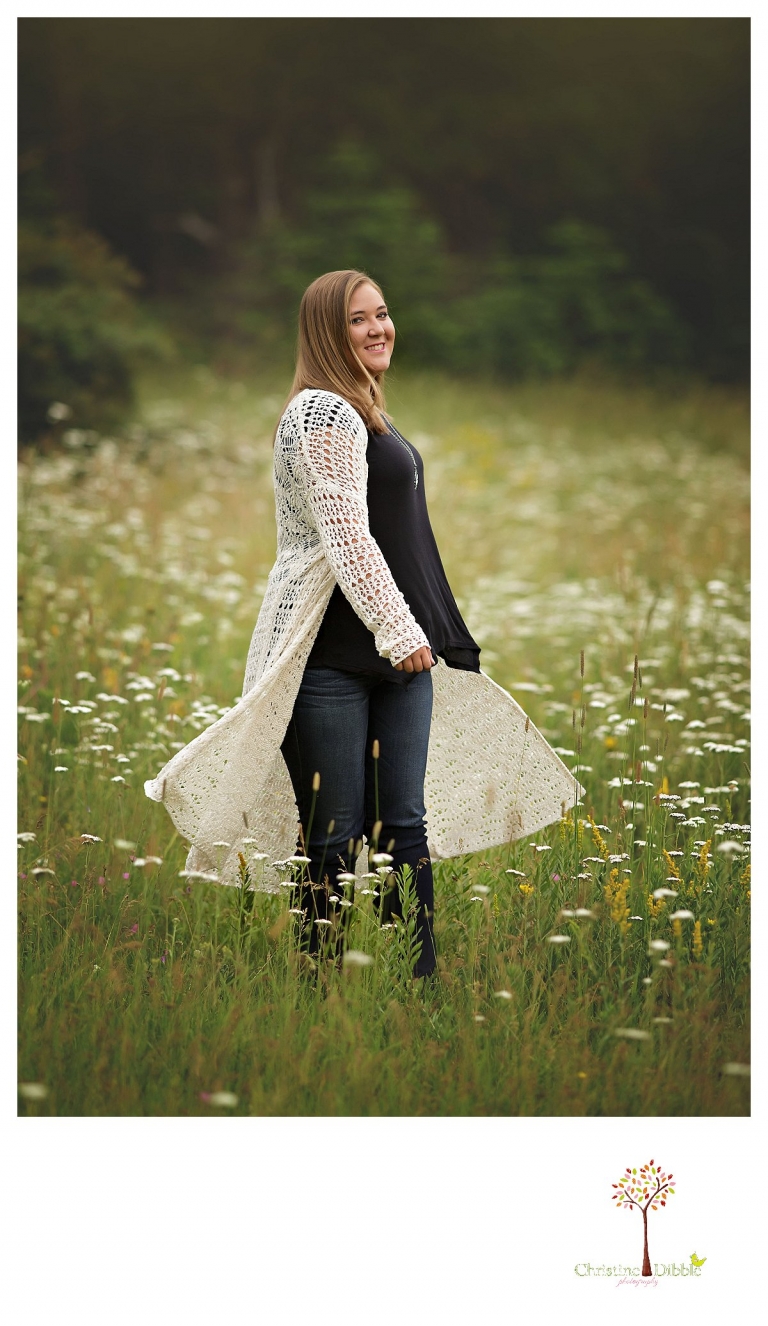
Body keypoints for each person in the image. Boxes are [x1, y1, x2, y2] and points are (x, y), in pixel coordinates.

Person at [144, 269, 582, 979]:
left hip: (401, 658)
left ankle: (418, 979)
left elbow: (401, 538)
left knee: (405, 828)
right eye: (359, 320)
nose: (379, 329)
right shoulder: (319, 413)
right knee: (333, 839)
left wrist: (427, 635)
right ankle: (322, 985)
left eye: (382, 315)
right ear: (327, 332)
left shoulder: (367, 412)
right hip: (333, 661)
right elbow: (347, 535)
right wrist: (401, 631)